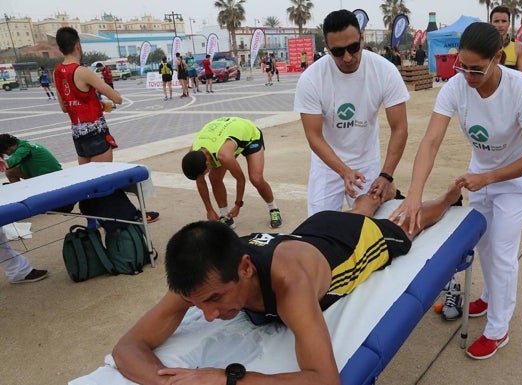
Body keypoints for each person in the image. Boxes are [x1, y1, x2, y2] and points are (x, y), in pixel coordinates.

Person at [110, 180, 462, 385]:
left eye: (216, 299)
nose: (208, 314)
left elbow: (324, 379)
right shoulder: (203, 276)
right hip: (310, 231)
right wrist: (167, 383)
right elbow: (127, 347)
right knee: (353, 211)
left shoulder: (290, 286)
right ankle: (375, 194)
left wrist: (224, 379)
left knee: (405, 226)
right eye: (198, 304)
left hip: (349, 246)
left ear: (246, 268)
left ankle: (446, 198)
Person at [390, 22, 522, 360]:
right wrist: (415, 196)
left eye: (477, 69)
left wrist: (490, 178)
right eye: (462, 65)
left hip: (516, 181)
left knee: (503, 248)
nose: (467, 75)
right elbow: (431, 142)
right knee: (483, 243)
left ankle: (497, 328)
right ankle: (491, 297)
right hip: (481, 176)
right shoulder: (456, 87)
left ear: (498, 57)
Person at [294, 9, 409, 216]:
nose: (347, 57)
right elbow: (314, 136)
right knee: (320, 227)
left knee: (370, 227)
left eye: (354, 48)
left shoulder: (385, 71)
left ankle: (391, 191)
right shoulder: (311, 79)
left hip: (367, 164)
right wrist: (343, 171)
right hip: (327, 165)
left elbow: (399, 128)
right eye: (338, 51)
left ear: (362, 38)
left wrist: (386, 175)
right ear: (327, 48)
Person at [181, 117, 283, 229]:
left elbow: (240, 179)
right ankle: (225, 216)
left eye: (205, 171)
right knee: (214, 177)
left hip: (249, 136)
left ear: (207, 161)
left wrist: (238, 205)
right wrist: (209, 210)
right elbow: (200, 182)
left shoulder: (223, 155)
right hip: (226, 137)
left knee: (256, 178)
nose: (204, 174)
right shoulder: (194, 153)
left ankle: (273, 208)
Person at [54, 26, 122, 165]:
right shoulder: (83, 72)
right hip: (96, 133)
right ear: (78, 46)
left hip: (78, 136)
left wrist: (96, 104)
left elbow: (64, 108)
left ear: (60, 49)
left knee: (88, 180)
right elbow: (117, 99)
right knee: (102, 180)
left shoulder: (57, 72)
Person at [490, 5, 522, 73]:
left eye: (504, 21)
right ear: (491, 23)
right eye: (496, 21)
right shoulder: (483, 45)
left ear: (509, 23)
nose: (500, 25)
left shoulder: (518, 47)